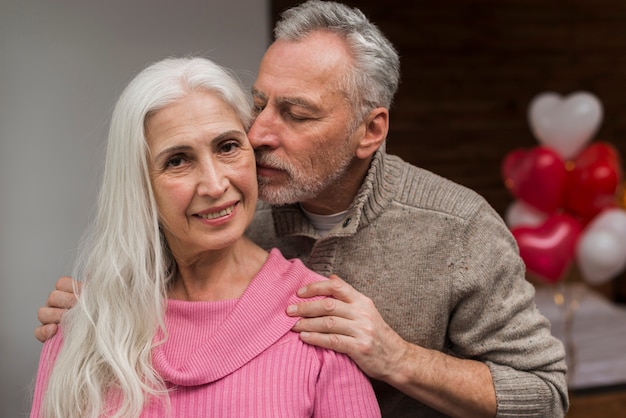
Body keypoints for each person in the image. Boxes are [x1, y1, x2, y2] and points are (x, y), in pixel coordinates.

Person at [35, 1, 569, 417]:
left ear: (370, 131)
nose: (259, 134)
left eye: (296, 114)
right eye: (260, 102)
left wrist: (397, 358)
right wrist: (91, 310)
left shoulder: (459, 229)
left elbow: (545, 394)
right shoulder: (233, 205)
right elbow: (150, 274)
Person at [29, 56, 381, 418]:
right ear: (138, 185)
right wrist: (89, 316)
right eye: (178, 160)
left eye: (227, 147)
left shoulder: (320, 321)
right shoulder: (85, 327)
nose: (215, 185)